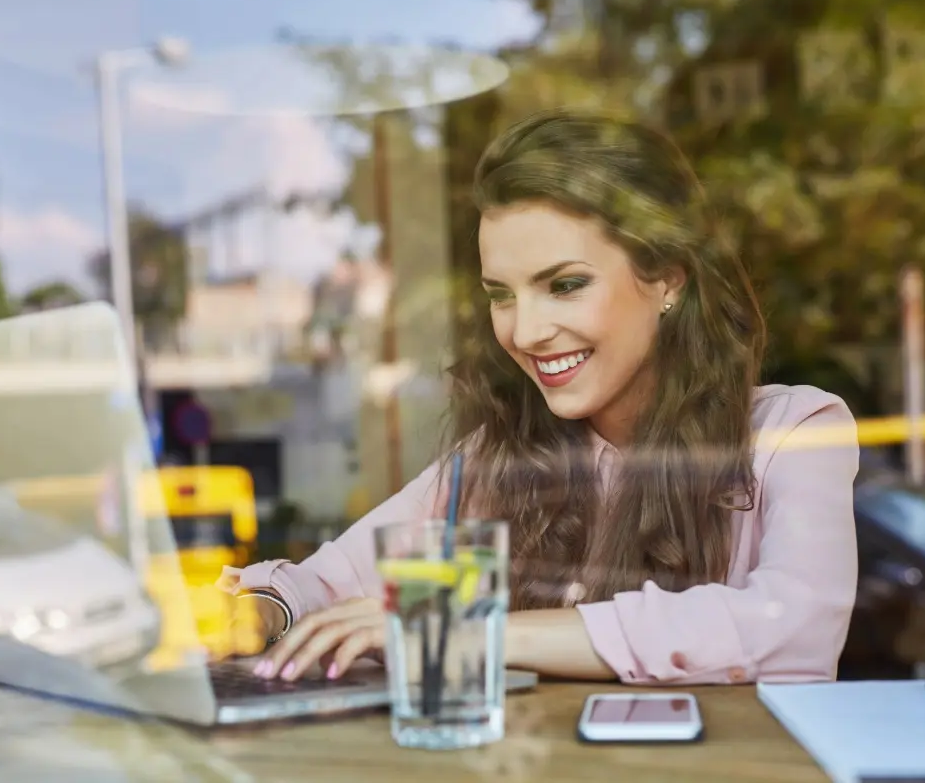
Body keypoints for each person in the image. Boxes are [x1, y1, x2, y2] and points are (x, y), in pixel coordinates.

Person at [218, 108, 859, 686]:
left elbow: (791, 626)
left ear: (667, 280)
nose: (524, 332)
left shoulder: (795, 433)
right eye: (502, 294)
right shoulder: (492, 462)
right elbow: (323, 586)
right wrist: (258, 613)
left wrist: (471, 631)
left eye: (566, 285)